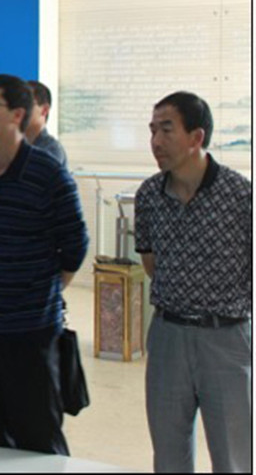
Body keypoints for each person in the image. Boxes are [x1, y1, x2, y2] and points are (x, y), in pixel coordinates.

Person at [0, 74, 88, 455]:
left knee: (37, 434)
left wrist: (45, 289)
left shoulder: (47, 172)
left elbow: (75, 243)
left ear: (17, 114)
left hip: (32, 327)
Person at [134, 91, 251, 473]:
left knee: (233, 456)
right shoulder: (149, 195)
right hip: (168, 335)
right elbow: (151, 263)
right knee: (168, 454)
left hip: (226, 339)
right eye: (152, 130)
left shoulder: (241, 195)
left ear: (196, 137)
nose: (155, 141)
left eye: (166, 129)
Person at [25, 80, 68, 168]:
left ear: (44, 110)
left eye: (26, 104)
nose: (20, 110)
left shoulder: (51, 150)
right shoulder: (13, 146)